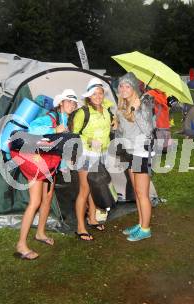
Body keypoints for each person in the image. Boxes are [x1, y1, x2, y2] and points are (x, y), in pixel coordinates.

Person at [13, 89, 78, 260]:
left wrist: (64, 165)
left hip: (51, 163)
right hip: (35, 161)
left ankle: (40, 233)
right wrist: (54, 128)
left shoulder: (69, 121)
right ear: (61, 103)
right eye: (68, 101)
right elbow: (32, 128)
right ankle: (21, 244)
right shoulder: (50, 117)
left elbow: (61, 145)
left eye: (74, 102)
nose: (72, 104)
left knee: (47, 198)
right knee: (35, 202)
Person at [115, 72, 154, 241]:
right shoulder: (123, 105)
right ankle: (140, 223)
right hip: (130, 152)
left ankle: (146, 229)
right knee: (137, 193)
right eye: (121, 86)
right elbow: (126, 132)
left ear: (134, 88)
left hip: (141, 152)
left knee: (142, 193)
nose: (124, 89)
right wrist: (116, 126)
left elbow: (147, 130)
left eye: (127, 86)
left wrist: (137, 109)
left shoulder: (143, 103)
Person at [72, 78, 112, 241]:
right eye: (94, 93)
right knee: (85, 189)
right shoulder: (83, 112)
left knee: (94, 187)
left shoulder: (107, 110)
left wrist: (113, 123)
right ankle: (80, 227)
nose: (98, 96)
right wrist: (89, 141)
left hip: (100, 154)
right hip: (86, 155)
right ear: (89, 95)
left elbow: (107, 128)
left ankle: (93, 218)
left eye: (100, 93)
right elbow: (74, 135)